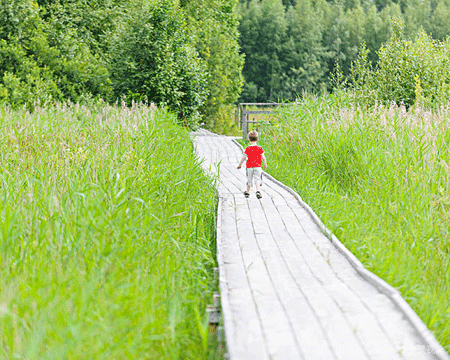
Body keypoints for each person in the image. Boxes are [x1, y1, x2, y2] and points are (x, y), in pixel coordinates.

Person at [237, 130, 267, 199]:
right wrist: (265, 164)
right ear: (257, 139)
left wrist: (240, 165)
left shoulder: (248, 148)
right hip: (258, 167)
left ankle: (247, 192)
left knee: (249, 179)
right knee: (257, 179)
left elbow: (244, 157)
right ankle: (258, 191)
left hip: (249, 167)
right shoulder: (260, 148)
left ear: (249, 139)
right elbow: (263, 157)